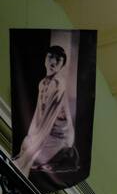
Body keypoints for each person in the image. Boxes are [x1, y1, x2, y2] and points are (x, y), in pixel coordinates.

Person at [13, 46, 78, 185]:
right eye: (50, 57)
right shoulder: (43, 83)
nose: (53, 62)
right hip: (46, 131)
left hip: (60, 138)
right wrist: (31, 136)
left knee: (31, 157)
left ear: (62, 65)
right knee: (26, 144)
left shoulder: (58, 85)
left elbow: (48, 121)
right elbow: (38, 114)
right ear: (45, 59)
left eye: (58, 60)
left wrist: (27, 154)